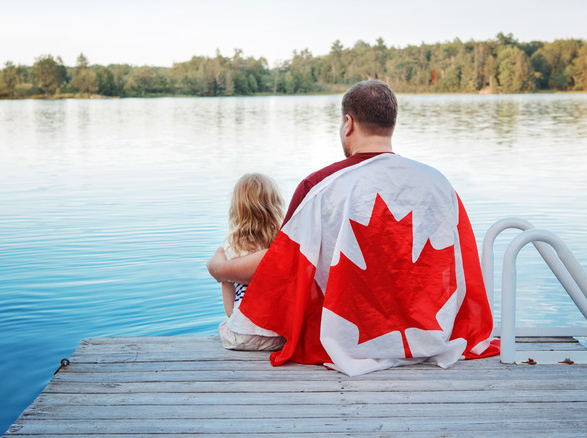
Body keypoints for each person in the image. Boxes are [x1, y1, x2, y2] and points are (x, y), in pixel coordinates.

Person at [207, 80, 498, 376]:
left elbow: (282, 266)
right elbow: (462, 266)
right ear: (391, 124)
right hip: (429, 334)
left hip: (351, 337)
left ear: (348, 124)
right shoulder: (439, 184)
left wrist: (220, 270)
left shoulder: (318, 186)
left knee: (234, 330)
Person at [213, 173, 286, 351]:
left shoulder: (232, 250)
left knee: (226, 324)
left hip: (241, 338)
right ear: (276, 206)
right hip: (280, 337)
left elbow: (230, 310)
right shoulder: (284, 245)